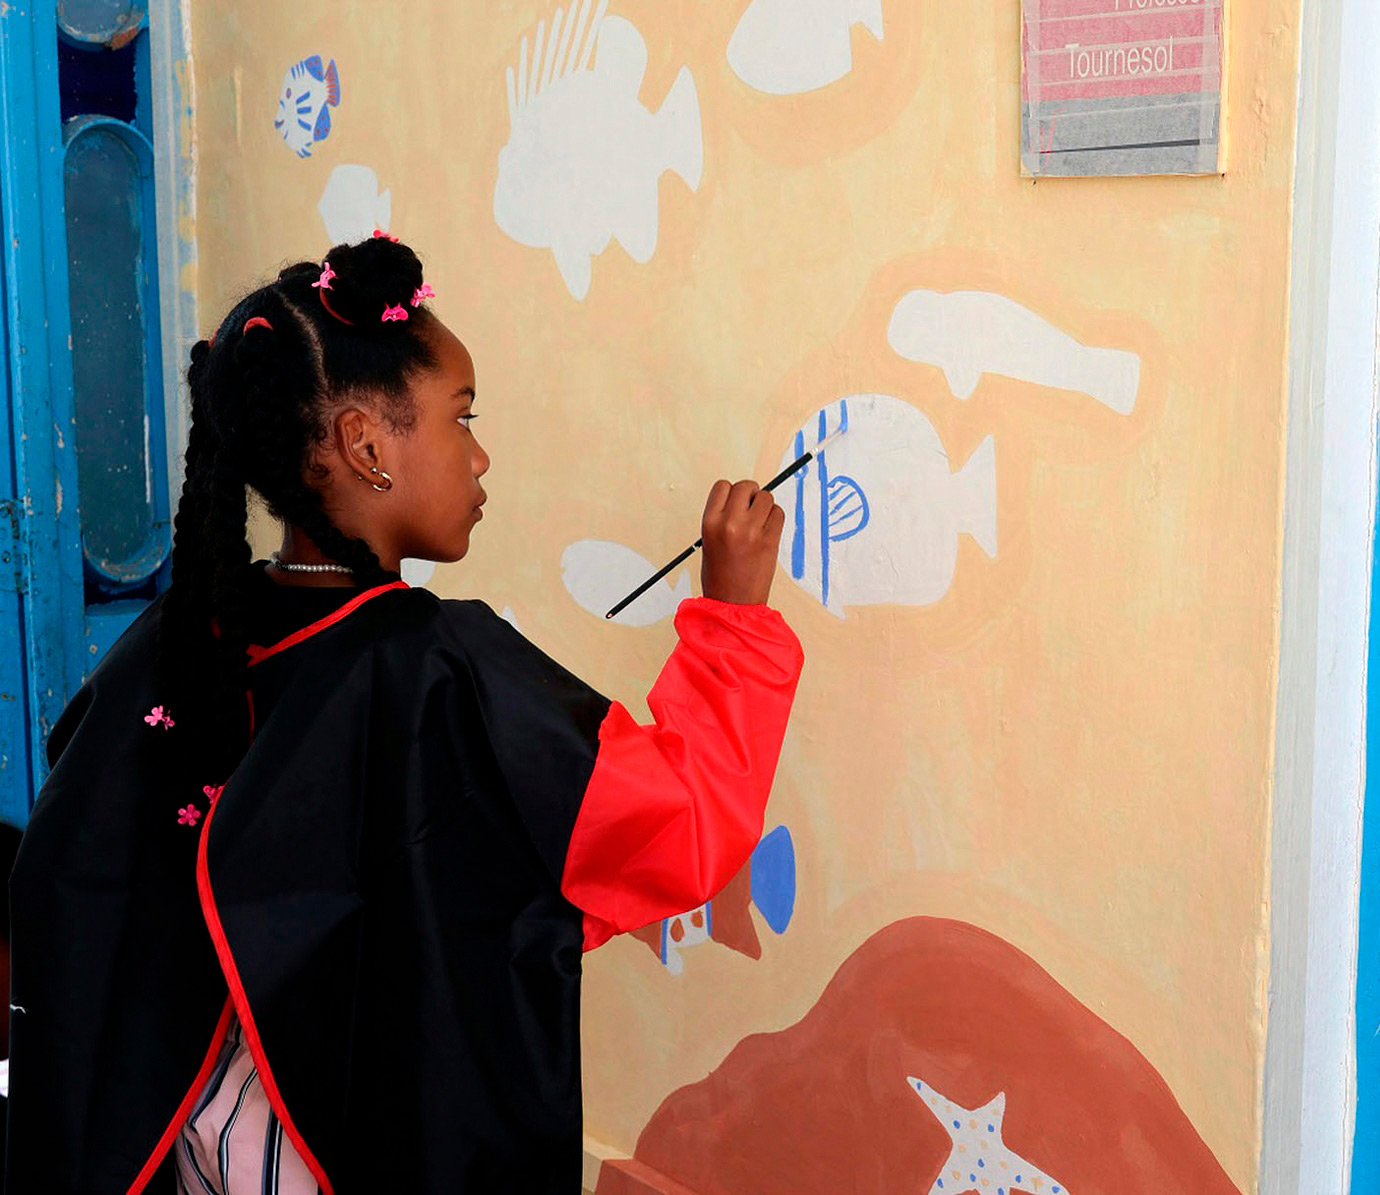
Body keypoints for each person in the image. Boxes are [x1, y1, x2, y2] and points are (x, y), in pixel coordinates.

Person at [5, 235, 803, 1194]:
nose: (480, 455)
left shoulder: (173, 643)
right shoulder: (435, 667)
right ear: (366, 447)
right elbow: (673, 827)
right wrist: (732, 619)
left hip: (185, 1147)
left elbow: (68, 884)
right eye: (460, 418)